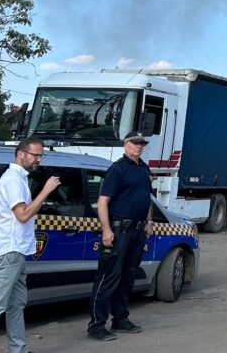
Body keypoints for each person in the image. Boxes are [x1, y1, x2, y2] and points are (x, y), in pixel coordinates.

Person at [0, 138, 61, 353]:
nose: (38, 159)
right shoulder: (13, 179)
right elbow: (22, 215)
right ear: (20, 153)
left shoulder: (18, 178)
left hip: (15, 251)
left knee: (15, 305)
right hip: (9, 251)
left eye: (41, 155)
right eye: (35, 155)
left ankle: (18, 350)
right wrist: (46, 190)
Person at [87, 131, 154, 341]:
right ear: (125, 145)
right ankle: (96, 326)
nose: (138, 147)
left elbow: (147, 197)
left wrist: (149, 221)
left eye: (141, 144)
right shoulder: (117, 169)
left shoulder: (144, 168)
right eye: (134, 143)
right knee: (109, 277)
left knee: (128, 276)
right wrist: (106, 230)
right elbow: (103, 201)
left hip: (137, 229)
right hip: (119, 230)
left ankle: (121, 319)